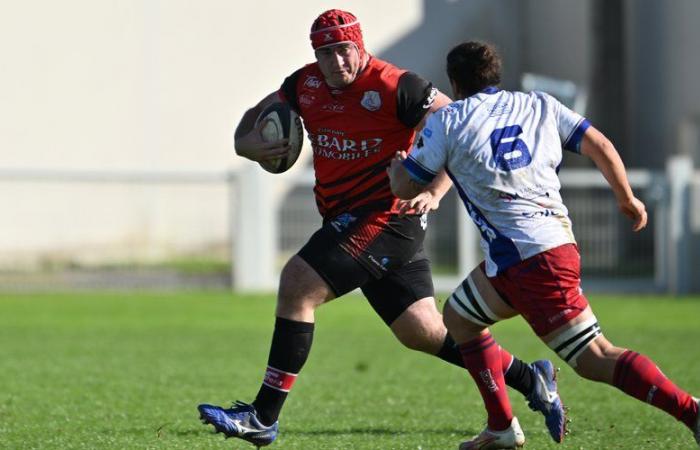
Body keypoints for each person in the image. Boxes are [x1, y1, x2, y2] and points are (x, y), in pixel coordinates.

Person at [197, 13, 565, 448]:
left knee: (297, 284)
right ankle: (530, 376)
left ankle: (263, 416)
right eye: (325, 52)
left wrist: (438, 189)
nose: (335, 61)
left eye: (343, 49)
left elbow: (461, 126)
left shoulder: (396, 85)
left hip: (388, 218)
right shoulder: (304, 85)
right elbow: (250, 119)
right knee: (421, 331)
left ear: (360, 46)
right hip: (347, 219)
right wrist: (247, 144)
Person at [389, 40, 700, 449]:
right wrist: (627, 198)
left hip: (531, 263)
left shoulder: (449, 120)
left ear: (454, 81)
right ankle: (500, 425)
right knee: (460, 318)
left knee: (596, 358)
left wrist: (397, 169)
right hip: (543, 250)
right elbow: (601, 145)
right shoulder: (539, 103)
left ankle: (691, 412)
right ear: (496, 74)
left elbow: (406, 184)